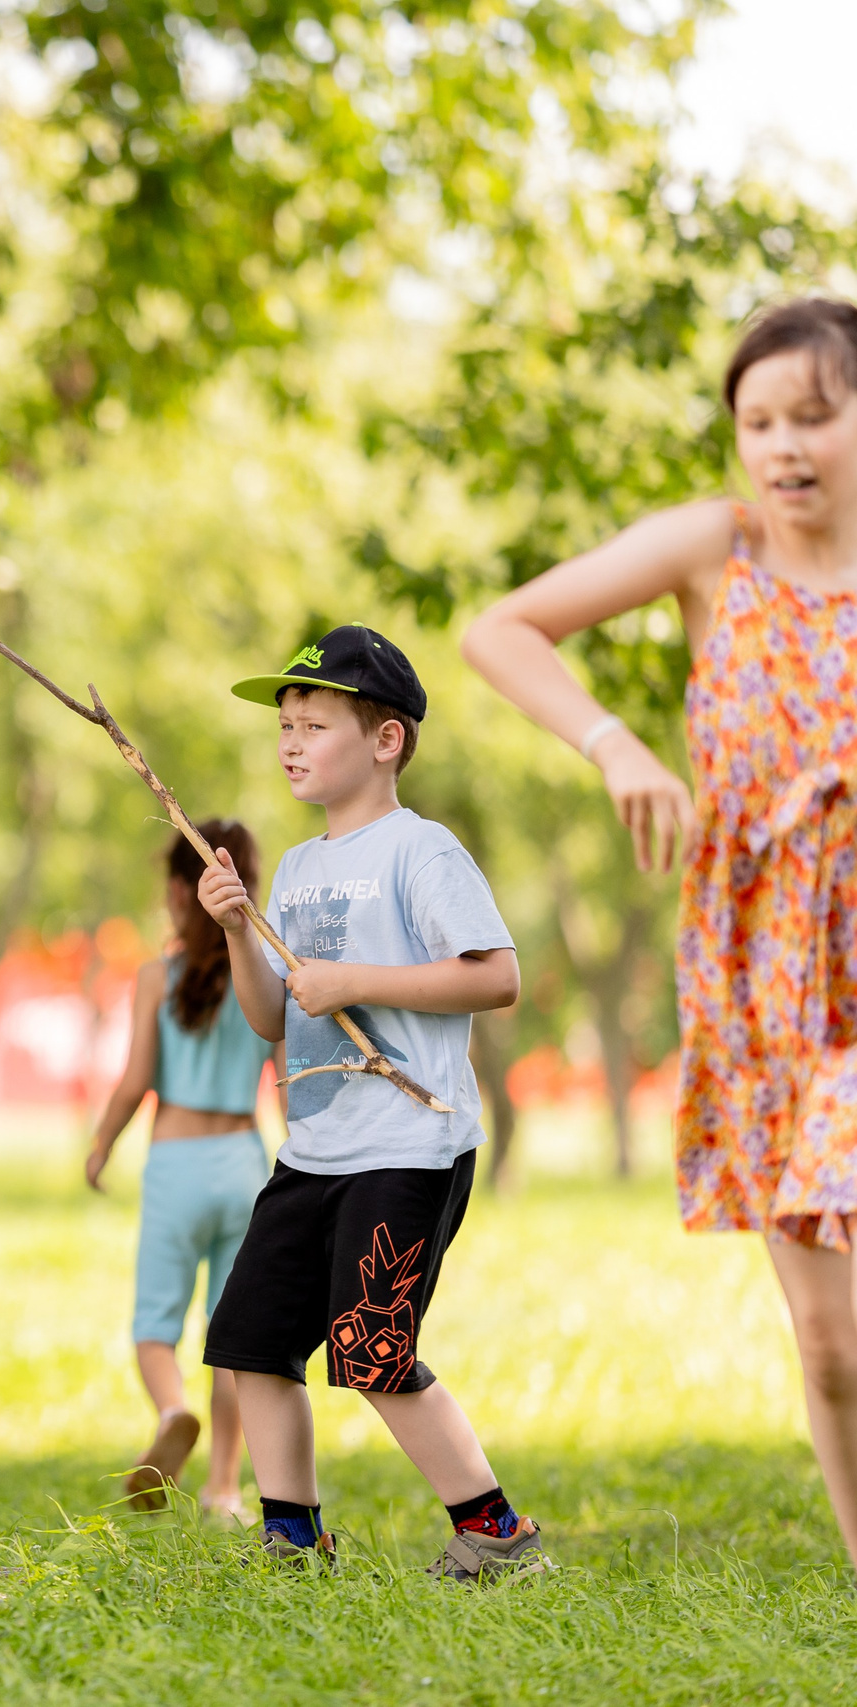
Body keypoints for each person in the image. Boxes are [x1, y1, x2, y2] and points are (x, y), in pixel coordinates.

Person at [462, 296, 857, 1572]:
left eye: (816, 414)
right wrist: (615, 741)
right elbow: (498, 628)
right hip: (763, 978)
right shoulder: (715, 549)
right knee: (830, 1348)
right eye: (759, 421)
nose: (784, 446)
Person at [195, 625, 545, 1581]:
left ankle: (495, 1534)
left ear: (385, 740)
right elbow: (272, 1017)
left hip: (411, 1141)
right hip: (315, 1148)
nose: (290, 742)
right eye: (284, 725)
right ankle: (293, 1540)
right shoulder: (301, 869)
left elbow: (497, 977)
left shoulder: (420, 851)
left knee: (373, 1349)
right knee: (252, 1343)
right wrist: (235, 929)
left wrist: (356, 979)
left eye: (313, 723)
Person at [86, 821, 275, 1520]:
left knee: (155, 1325)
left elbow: (136, 1078)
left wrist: (102, 1143)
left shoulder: (156, 976)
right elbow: (289, 1078)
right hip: (246, 1163)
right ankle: (225, 1488)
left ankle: (171, 1411)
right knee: (232, 1336)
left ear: (176, 889)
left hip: (176, 1161)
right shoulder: (269, 973)